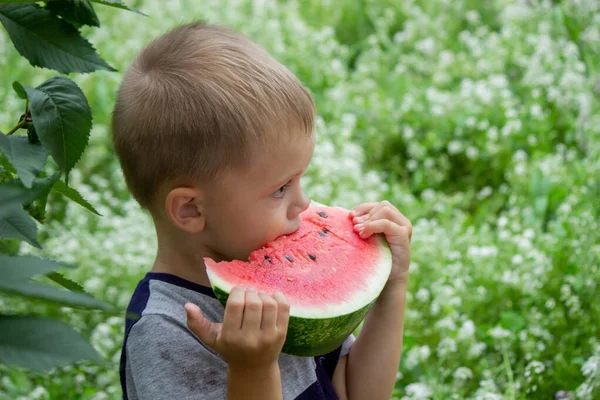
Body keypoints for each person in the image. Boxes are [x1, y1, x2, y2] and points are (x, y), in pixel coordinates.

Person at [112, 21, 412, 400]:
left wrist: (392, 288)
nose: (303, 204)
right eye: (280, 189)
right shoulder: (164, 333)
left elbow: (357, 392)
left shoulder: (287, 285)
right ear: (190, 210)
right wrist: (252, 369)